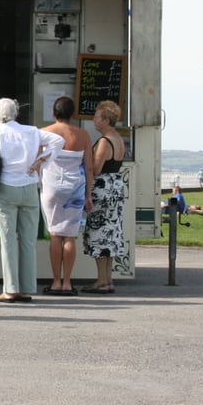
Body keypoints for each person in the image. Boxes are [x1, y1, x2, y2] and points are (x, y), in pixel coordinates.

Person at [0, 98, 63, 303]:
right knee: (28, 241)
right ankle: (27, 288)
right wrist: (41, 160)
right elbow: (58, 141)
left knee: (8, 241)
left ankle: (10, 289)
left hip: (6, 188)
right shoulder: (31, 131)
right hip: (29, 187)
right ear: (16, 113)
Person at [39, 96, 94, 296]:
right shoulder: (83, 135)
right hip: (75, 188)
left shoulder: (44, 133)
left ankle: (55, 282)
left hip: (51, 186)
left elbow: (37, 162)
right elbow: (89, 167)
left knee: (55, 234)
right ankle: (68, 282)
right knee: (70, 235)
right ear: (72, 114)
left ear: (54, 113)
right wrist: (89, 194)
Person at [83, 100, 126, 294]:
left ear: (106, 120)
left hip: (102, 188)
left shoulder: (103, 141)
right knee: (111, 233)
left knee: (99, 234)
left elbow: (96, 168)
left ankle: (101, 280)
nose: (94, 120)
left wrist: (87, 192)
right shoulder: (118, 139)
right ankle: (108, 279)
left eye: (97, 117)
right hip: (116, 186)